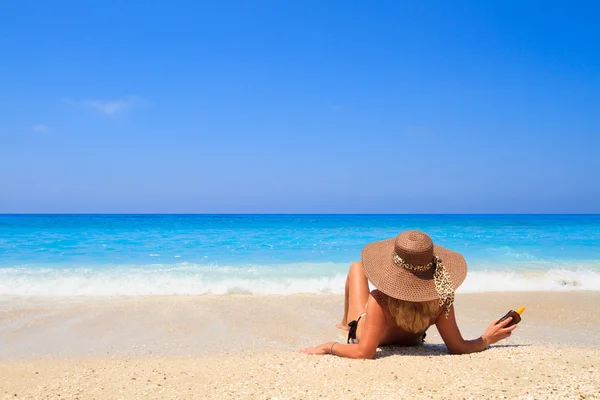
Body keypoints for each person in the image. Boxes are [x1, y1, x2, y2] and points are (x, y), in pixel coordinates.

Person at [300, 230, 517, 359]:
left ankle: (346, 324)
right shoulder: (441, 300)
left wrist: (327, 346)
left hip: (364, 327)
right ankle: (345, 323)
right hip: (412, 337)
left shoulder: (380, 299)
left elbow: (364, 352)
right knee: (357, 269)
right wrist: (487, 338)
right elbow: (458, 347)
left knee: (356, 268)